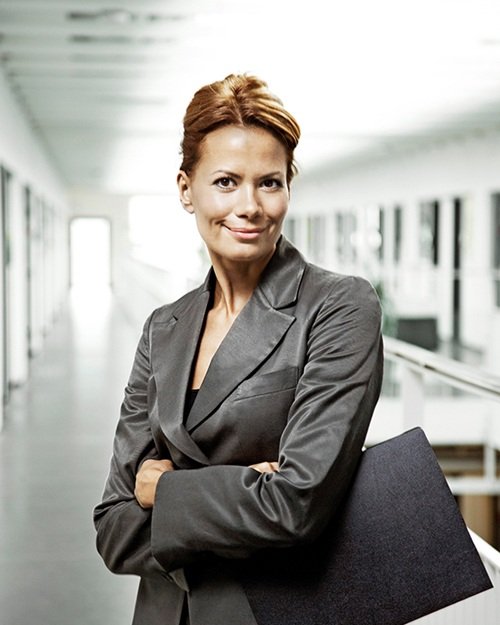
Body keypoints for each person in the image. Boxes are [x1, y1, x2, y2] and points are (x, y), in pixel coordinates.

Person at [94, 73, 384, 625]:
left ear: (288, 189)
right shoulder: (164, 328)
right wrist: (246, 494)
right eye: (226, 182)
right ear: (187, 190)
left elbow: (295, 506)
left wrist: (164, 488)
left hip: (270, 614)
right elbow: (113, 528)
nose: (249, 206)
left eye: (269, 183)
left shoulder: (339, 307)